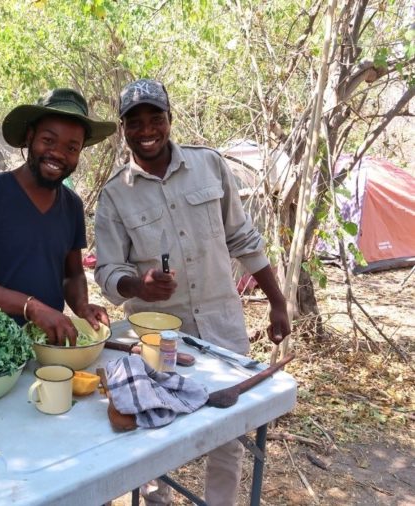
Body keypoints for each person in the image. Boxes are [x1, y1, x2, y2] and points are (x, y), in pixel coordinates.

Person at [94, 79, 291, 505]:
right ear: (123, 128)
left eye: (155, 119)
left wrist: (277, 301)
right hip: (156, 337)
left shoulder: (210, 166)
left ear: (169, 119)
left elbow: (243, 238)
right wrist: (137, 285)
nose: (147, 130)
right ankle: (155, 496)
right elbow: (109, 271)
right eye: (135, 123)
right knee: (152, 422)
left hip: (222, 325)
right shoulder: (114, 195)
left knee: (230, 429)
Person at [0, 88, 116, 345]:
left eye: (72, 147)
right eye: (48, 140)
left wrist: (81, 306)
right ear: (30, 137)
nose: (58, 153)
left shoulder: (72, 205)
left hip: (49, 342)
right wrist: (30, 307)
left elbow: (73, 274)